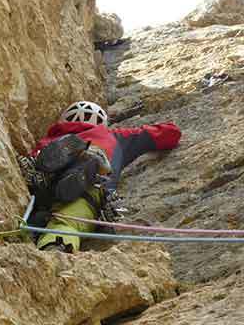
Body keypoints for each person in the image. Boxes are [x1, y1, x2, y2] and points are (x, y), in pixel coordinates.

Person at [18, 101, 181, 253]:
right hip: (89, 192)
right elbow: (169, 134)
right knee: (67, 223)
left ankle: (65, 170)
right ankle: (55, 247)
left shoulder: (47, 140)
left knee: (35, 220)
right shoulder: (114, 136)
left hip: (42, 191)